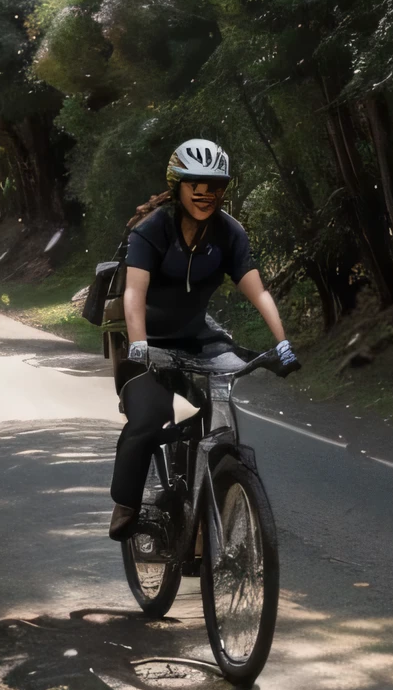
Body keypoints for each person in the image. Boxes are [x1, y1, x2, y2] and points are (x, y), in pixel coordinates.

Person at [108, 138, 298, 541]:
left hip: (197, 339)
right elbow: (134, 293)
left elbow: (258, 290)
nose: (204, 192)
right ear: (177, 185)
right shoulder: (152, 230)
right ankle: (126, 503)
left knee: (220, 410)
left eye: (214, 185)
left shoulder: (228, 234)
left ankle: (205, 485)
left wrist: (282, 343)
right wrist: (139, 344)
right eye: (194, 183)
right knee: (147, 419)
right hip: (146, 342)